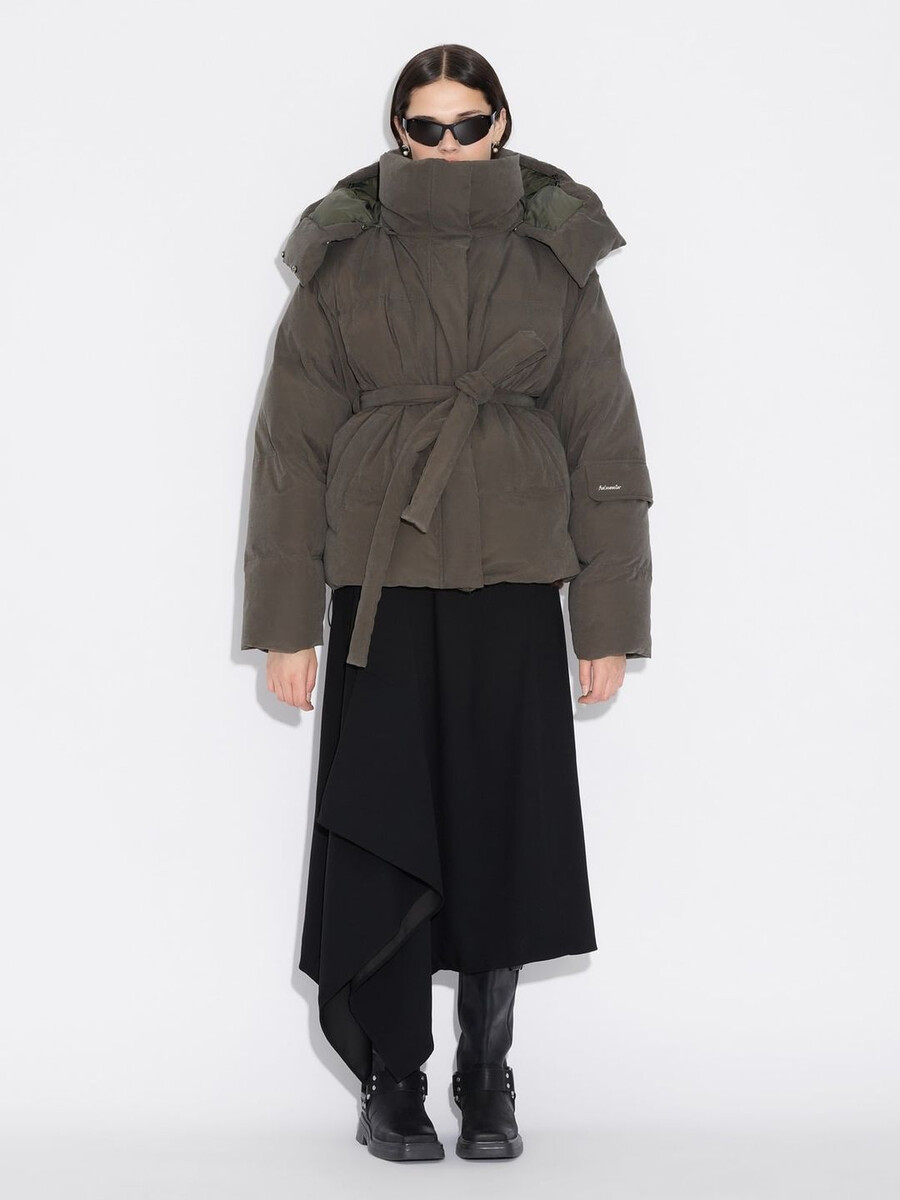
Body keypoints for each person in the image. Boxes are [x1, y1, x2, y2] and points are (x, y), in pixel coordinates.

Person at [241, 43, 654, 1164]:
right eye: (425, 127)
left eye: (467, 124)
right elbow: (290, 452)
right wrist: (285, 624)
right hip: (379, 581)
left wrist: (607, 621)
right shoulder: (344, 254)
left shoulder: (557, 253)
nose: (448, 144)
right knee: (383, 822)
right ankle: (394, 1076)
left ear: (501, 123)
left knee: (501, 825)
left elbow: (605, 442)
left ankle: (486, 1073)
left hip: (514, 579)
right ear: (399, 133)